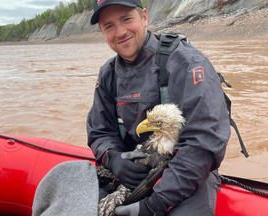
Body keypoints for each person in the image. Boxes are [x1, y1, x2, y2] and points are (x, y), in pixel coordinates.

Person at [87, 0, 231, 215]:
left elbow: (204, 142)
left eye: (127, 19)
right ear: (103, 32)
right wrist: (114, 159)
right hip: (134, 170)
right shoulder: (108, 74)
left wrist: (153, 204)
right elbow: (100, 131)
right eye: (109, 26)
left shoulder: (188, 62)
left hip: (187, 173)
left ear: (144, 17)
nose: (120, 32)